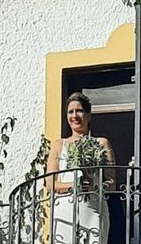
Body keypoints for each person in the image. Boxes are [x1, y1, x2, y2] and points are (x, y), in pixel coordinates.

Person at [46, 92, 115, 244]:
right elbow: (50, 183)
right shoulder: (58, 145)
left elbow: (111, 182)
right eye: (70, 112)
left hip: (93, 209)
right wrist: (74, 185)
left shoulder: (102, 143)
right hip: (64, 209)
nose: (74, 116)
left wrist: (95, 186)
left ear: (88, 115)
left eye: (79, 111)